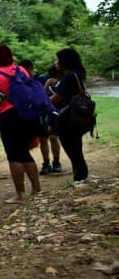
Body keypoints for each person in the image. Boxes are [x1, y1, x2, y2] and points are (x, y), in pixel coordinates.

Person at [0, 45, 42, 204]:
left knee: (14, 156)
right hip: (28, 114)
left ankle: (20, 194)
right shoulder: (21, 70)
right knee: (25, 153)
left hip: (9, 117)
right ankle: (37, 190)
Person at [48, 48, 90, 183]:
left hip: (68, 119)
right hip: (78, 118)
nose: (55, 62)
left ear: (64, 62)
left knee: (72, 149)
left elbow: (58, 97)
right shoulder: (76, 74)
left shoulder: (69, 77)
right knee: (76, 148)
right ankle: (80, 176)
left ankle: (80, 176)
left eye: (57, 60)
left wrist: (41, 104)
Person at [20, 60, 58, 175]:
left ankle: (56, 162)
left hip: (49, 111)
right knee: (43, 139)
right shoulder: (23, 81)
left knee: (53, 137)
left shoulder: (41, 78)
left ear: (29, 69)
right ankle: (46, 163)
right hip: (37, 114)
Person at [43, 65, 64, 174]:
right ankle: (52, 162)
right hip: (55, 112)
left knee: (52, 137)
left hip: (55, 113)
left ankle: (54, 162)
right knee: (49, 138)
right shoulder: (52, 82)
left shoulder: (56, 81)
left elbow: (45, 96)